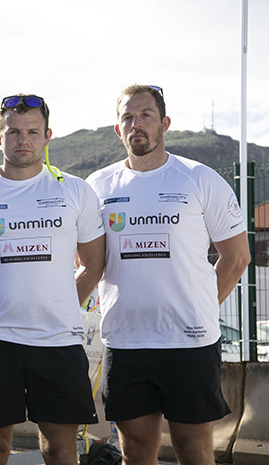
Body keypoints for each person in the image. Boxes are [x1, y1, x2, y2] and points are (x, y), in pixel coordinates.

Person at [86, 84, 251, 465]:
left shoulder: (199, 178)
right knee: (135, 454)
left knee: (194, 452)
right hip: (126, 342)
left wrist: (201, 308)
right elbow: (89, 260)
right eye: (128, 117)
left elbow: (238, 257)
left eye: (146, 115)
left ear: (165, 123)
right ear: (118, 129)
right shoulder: (98, 186)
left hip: (189, 343)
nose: (137, 124)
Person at [0, 94, 106, 465]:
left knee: (61, 449)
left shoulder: (75, 190)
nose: (23, 140)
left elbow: (93, 264)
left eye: (32, 132)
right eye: (13, 132)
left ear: (48, 136)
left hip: (58, 341)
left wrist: (62, 305)